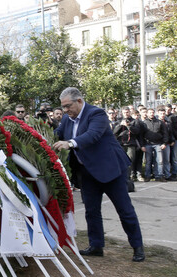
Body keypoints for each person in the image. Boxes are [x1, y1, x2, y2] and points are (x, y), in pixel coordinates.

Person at [53, 87, 144, 262]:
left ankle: (137, 247)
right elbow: (56, 135)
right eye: (63, 107)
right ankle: (96, 246)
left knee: (124, 210)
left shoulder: (96, 114)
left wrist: (69, 143)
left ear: (79, 101)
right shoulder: (67, 119)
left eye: (68, 106)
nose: (65, 110)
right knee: (92, 210)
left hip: (110, 169)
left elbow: (92, 135)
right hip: (87, 171)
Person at [113, 106, 142, 185]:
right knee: (120, 161)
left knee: (129, 161)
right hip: (120, 144)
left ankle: (128, 177)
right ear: (122, 113)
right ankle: (120, 177)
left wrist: (129, 126)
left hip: (130, 144)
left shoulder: (134, 121)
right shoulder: (118, 121)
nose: (126, 114)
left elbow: (137, 131)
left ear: (130, 112)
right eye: (125, 112)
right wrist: (120, 125)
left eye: (127, 112)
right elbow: (114, 132)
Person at [141, 108, 168, 182]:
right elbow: (141, 135)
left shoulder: (160, 122)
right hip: (147, 144)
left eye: (153, 112)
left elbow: (165, 133)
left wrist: (164, 143)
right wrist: (142, 145)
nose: (151, 114)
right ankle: (147, 176)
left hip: (158, 144)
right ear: (147, 113)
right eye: (150, 113)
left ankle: (160, 176)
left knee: (159, 161)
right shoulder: (144, 123)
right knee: (148, 161)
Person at [157, 106, 174, 181]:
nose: (162, 115)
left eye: (164, 113)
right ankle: (159, 175)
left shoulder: (168, 122)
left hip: (166, 143)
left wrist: (172, 140)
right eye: (161, 114)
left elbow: (170, 133)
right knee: (159, 161)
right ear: (158, 114)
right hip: (158, 143)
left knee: (167, 160)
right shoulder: (156, 122)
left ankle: (167, 175)